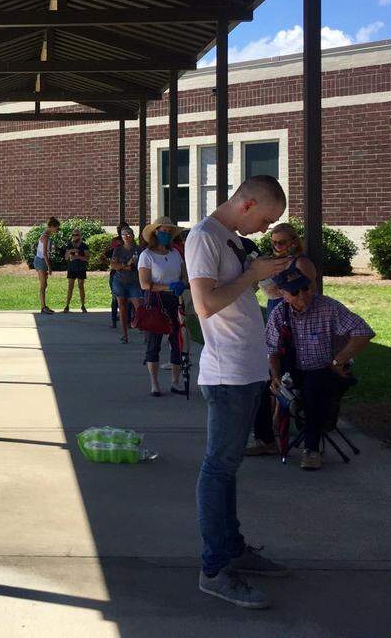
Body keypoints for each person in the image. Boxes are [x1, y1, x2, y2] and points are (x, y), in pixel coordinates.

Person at [185, 175, 292, 609]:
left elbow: (244, 294)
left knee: (226, 470)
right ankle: (214, 568)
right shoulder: (203, 238)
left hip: (246, 370)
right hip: (226, 373)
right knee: (217, 469)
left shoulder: (230, 238)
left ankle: (233, 549)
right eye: (266, 219)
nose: (267, 230)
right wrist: (252, 274)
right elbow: (205, 305)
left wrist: (266, 276)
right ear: (247, 205)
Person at [264, 265, 374, 470]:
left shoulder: (328, 306)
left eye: (305, 288)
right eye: (295, 292)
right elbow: (273, 349)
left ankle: (312, 449)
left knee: (314, 388)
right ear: (283, 294)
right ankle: (265, 439)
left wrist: (338, 360)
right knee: (259, 384)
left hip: (327, 369)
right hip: (295, 368)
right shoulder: (279, 313)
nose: (303, 295)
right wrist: (275, 376)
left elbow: (363, 331)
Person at [248, 223, 321, 457]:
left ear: (293, 241)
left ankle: (275, 430)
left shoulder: (301, 262)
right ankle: (266, 434)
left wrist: (285, 294)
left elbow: (310, 295)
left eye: (281, 242)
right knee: (266, 378)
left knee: (282, 376)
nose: (276, 246)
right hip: (275, 315)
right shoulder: (275, 262)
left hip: (296, 323)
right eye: (273, 242)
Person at [138, 217, 187, 396]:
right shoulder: (147, 255)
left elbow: (183, 276)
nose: (166, 234)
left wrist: (182, 284)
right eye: (163, 231)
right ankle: (154, 383)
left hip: (174, 300)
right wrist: (168, 286)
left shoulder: (175, 254)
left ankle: (175, 381)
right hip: (155, 302)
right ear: (155, 233)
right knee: (154, 343)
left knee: (177, 341)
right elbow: (144, 284)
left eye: (169, 232)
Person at [109, 226, 142, 343]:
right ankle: (124, 335)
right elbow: (113, 266)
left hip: (134, 282)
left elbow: (142, 266)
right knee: (122, 308)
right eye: (124, 235)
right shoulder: (118, 250)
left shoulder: (139, 249)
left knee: (140, 307)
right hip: (120, 281)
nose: (126, 237)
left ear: (133, 236)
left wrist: (127, 266)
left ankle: (143, 330)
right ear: (121, 237)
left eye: (129, 234)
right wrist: (126, 265)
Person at [34, 217, 60, 314]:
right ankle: (43, 307)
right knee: (43, 284)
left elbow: (47, 251)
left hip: (43, 260)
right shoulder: (45, 236)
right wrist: (49, 267)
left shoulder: (47, 236)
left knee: (45, 284)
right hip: (41, 261)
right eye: (56, 228)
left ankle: (44, 306)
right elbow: (44, 253)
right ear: (52, 226)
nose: (57, 230)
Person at [62, 230, 89, 313]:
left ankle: (83, 306)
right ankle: (67, 305)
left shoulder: (84, 246)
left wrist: (78, 257)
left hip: (81, 269)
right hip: (71, 269)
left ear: (80, 236)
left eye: (76, 235)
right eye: (73, 235)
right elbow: (66, 258)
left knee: (81, 286)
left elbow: (87, 258)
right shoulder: (69, 245)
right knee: (70, 287)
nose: (74, 236)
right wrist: (70, 251)